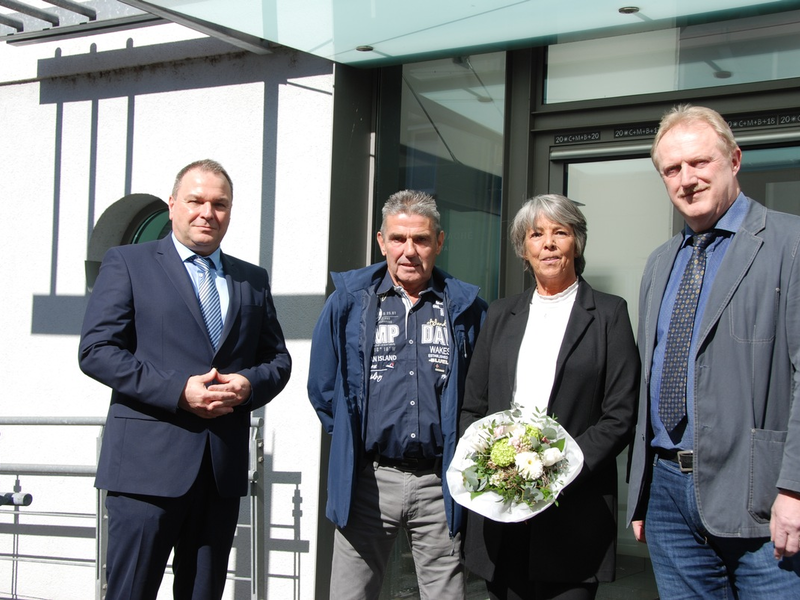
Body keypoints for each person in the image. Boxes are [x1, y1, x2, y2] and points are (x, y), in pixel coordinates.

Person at [79, 159, 292, 600]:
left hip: (219, 474)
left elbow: (277, 359)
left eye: (219, 204)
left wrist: (248, 386)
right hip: (145, 472)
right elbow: (96, 352)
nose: (207, 213)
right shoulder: (128, 262)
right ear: (173, 204)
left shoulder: (251, 279)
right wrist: (178, 390)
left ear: (230, 212)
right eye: (195, 201)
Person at [627, 104, 800, 598]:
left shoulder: (790, 243)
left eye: (700, 162)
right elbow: (652, 379)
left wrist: (795, 489)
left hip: (763, 497)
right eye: (672, 169)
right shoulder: (661, 262)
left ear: (735, 160)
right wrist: (642, 492)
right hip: (668, 497)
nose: (687, 179)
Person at [307, 190, 487, 599]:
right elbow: (322, 387)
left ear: (439, 242)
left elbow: (482, 394)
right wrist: (354, 442)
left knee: (446, 594)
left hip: (439, 482)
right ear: (381, 240)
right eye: (399, 238)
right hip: (369, 480)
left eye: (421, 240)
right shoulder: (349, 302)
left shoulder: (466, 308)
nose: (409, 250)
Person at [460, 194, 639, 600]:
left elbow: (620, 415)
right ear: (524, 248)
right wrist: (493, 470)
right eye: (536, 234)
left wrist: (554, 471)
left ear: (577, 242)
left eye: (561, 232)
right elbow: (474, 405)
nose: (549, 243)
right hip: (501, 509)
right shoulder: (500, 314)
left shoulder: (609, 314)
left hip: (574, 510)